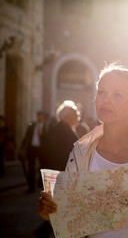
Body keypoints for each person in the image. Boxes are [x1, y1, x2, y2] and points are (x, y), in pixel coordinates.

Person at [36, 63, 128, 237]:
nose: (106, 100)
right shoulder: (81, 151)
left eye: (117, 94)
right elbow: (68, 223)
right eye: (102, 92)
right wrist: (50, 213)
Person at [34, 101, 80, 238]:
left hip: (54, 176)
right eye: (75, 113)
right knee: (59, 209)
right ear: (66, 116)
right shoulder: (65, 132)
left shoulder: (56, 129)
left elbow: (43, 154)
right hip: (62, 177)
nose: (78, 115)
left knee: (57, 209)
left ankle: (43, 231)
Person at [19, 111, 46, 193]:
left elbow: (48, 139)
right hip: (32, 148)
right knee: (31, 167)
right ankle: (31, 186)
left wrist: (42, 135)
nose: (39, 117)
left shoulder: (46, 126)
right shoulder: (32, 125)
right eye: (38, 116)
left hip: (41, 149)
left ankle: (41, 184)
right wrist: (23, 148)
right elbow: (27, 137)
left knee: (42, 167)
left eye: (41, 116)